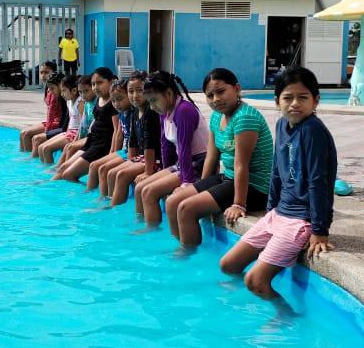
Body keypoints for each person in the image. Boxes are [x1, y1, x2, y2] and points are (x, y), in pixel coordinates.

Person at [219, 67, 337, 302]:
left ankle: (286, 316)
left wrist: (320, 231)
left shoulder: (313, 131)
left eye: (303, 97)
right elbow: (276, 171)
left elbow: (319, 182)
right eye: (288, 98)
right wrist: (270, 211)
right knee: (228, 265)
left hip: (300, 220)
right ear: (277, 101)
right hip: (278, 214)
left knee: (255, 281)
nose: (295, 104)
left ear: (315, 101)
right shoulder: (282, 124)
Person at [166, 68, 274, 247]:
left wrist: (238, 204)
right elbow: (211, 156)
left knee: (186, 209)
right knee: (172, 202)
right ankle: (182, 246)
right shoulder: (217, 116)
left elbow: (241, 165)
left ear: (237, 89)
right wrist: (200, 186)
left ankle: (188, 256)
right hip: (229, 178)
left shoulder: (245, 117)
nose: (216, 99)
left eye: (221, 91)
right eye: (210, 95)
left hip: (255, 186)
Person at [133, 71, 209, 227]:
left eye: (154, 101)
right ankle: (142, 225)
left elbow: (184, 147)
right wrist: (165, 170)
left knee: (149, 192)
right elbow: (165, 144)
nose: (152, 107)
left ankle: (152, 231)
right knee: (140, 188)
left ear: (168, 93)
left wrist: (186, 183)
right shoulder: (165, 111)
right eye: (150, 102)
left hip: (199, 164)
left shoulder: (184, 111)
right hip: (183, 163)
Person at [107, 72, 160, 206]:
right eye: (130, 91)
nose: (134, 95)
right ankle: (110, 202)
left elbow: (150, 144)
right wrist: (130, 162)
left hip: (155, 159)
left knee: (121, 175)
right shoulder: (136, 111)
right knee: (112, 172)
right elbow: (133, 141)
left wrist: (147, 172)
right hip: (142, 157)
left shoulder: (151, 112)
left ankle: (114, 207)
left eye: (139, 91)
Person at [57, 67, 117, 182]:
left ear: (111, 82)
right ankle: (50, 188)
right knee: (63, 168)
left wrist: (112, 154)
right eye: (93, 84)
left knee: (68, 175)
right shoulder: (99, 100)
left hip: (101, 146)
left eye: (100, 83)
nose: (96, 87)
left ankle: (77, 192)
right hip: (91, 141)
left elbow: (117, 131)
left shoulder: (114, 103)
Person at [87, 78, 133, 193]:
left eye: (120, 99)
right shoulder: (122, 113)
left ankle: (107, 199)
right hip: (124, 151)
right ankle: (91, 193)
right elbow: (119, 134)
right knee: (94, 166)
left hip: (131, 152)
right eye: (113, 101)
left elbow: (133, 141)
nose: (116, 104)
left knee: (105, 169)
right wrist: (112, 154)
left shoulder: (133, 114)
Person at [35, 74, 83, 164]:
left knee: (47, 149)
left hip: (76, 134)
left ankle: (50, 169)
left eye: (64, 90)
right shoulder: (69, 101)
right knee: (41, 147)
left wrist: (76, 141)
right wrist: (65, 133)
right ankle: (44, 168)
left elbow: (82, 125)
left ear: (74, 91)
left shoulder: (80, 102)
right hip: (69, 132)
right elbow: (70, 121)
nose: (61, 94)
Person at [19, 60, 59, 152]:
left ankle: (30, 158)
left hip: (57, 123)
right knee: (22, 133)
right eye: (41, 72)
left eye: (46, 72)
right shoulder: (47, 88)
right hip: (51, 121)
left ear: (54, 73)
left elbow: (51, 112)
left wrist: (47, 132)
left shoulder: (54, 90)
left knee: (27, 134)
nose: (43, 75)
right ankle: (24, 156)